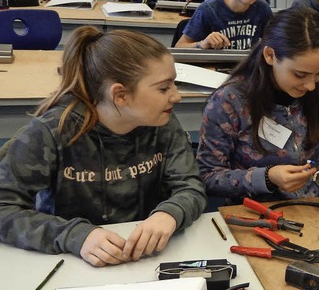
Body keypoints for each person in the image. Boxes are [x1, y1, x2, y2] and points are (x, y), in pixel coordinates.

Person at [0, 26, 207, 267]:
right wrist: (75, 235)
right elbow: (4, 208)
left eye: (174, 84)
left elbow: (191, 186)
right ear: (120, 95)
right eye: (163, 88)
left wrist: (170, 213)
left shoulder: (161, 120)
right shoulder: (52, 132)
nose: (176, 96)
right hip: (70, 261)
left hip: (143, 259)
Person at [197, 7, 319, 202]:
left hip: (314, 206)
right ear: (270, 55)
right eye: (299, 74)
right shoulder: (230, 101)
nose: (311, 85)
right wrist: (267, 178)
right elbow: (208, 176)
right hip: (256, 213)